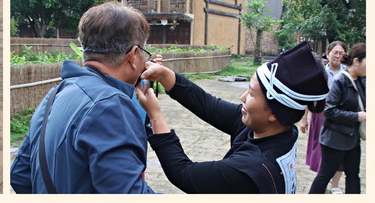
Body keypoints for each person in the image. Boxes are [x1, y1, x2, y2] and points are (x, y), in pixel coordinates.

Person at [136, 41, 330, 194]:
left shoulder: (250, 169)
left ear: (273, 113)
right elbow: (208, 105)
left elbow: (183, 173)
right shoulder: (279, 130)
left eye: (252, 94)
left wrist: (155, 115)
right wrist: (164, 74)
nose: (242, 98)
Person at [10, 3, 155, 193]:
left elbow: (20, 175)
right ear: (134, 55)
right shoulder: (110, 104)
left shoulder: (55, 94)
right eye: (145, 53)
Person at [308, 43, 366, 194]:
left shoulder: (361, 81)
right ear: (357, 61)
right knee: (324, 175)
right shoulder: (341, 80)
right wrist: (356, 116)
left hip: (352, 138)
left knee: (353, 176)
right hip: (334, 139)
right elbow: (329, 111)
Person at [301, 41, 348, 193]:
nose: (338, 56)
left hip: (341, 117)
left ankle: (335, 185)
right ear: (328, 54)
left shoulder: (347, 72)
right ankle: (322, 179)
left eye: (341, 53)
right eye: (335, 52)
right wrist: (304, 118)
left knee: (340, 150)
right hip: (320, 115)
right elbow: (309, 96)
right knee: (320, 149)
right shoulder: (320, 71)